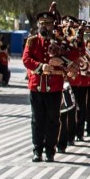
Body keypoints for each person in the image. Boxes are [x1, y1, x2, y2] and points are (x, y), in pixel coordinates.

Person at [23, 20, 64, 162]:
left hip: (54, 86)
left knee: (53, 119)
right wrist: (41, 66)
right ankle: (37, 150)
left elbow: (73, 56)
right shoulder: (32, 41)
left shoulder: (60, 41)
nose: (45, 27)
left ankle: (50, 151)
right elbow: (26, 59)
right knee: (37, 120)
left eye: (48, 24)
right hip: (37, 86)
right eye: (42, 24)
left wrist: (61, 62)